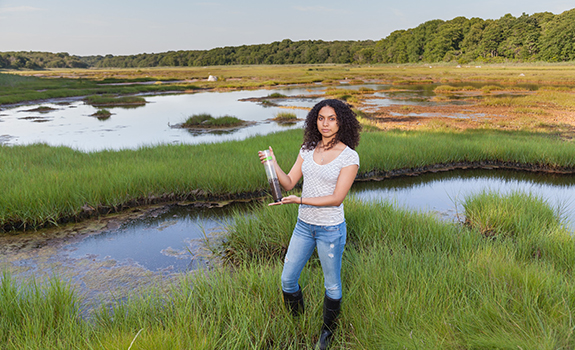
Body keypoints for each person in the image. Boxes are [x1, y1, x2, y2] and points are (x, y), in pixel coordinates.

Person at [258, 99, 361, 349]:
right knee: (288, 279)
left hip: (331, 229)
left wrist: (300, 200)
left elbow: (337, 199)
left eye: (332, 119)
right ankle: (297, 321)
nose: (325, 124)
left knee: (332, 284)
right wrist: (271, 163)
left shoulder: (349, 156)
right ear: (315, 120)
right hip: (303, 226)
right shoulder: (307, 148)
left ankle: (327, 333)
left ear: (342, 122)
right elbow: (289, 182)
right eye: (321, 118)